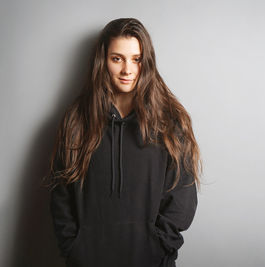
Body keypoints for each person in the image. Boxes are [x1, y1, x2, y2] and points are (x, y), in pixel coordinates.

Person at [43, 18, 202, 267]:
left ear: (146, 63)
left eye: (136, 59)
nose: (127, 70)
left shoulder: (170, 122)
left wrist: (158, 248)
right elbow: (60, 193)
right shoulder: (77, 120)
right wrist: (74, 247)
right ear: (103, 61)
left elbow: (183, 196)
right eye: (117, 59)